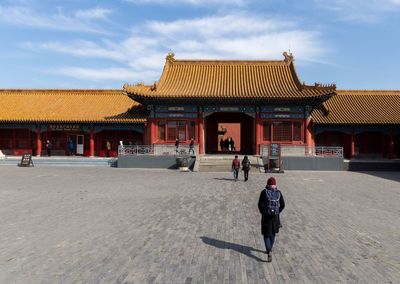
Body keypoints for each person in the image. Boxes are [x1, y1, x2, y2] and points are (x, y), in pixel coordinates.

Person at [258, 177, 285, 262]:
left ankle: (268, 250)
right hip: (275, 217)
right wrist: (278, 211)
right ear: (275, 184)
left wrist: (262, 211)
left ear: (267, 184)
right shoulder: (278, 192)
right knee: (273, 234)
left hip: (266, 216)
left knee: (266, 235)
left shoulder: (264, 192)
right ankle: (270, 249)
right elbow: (283, 205)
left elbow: (259, 203)